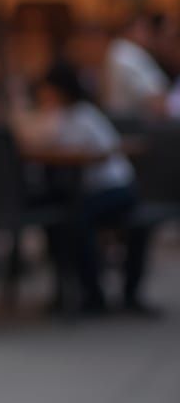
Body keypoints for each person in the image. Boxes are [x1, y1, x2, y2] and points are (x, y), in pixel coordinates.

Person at [11, 59, 155, 316]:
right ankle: (78, 291)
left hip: (116, 187)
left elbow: (100, 152)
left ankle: (92, 293)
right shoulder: (62, 115)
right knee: (66, 217)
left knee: (77, 220)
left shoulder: (83, 116)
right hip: (90, 188)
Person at [103, 12, 169, 120]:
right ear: (130, 29)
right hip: (135, 123)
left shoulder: (122, 51)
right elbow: (156, 102)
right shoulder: (127, 55)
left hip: (129, 120)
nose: (149, 34)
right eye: (144, 29)